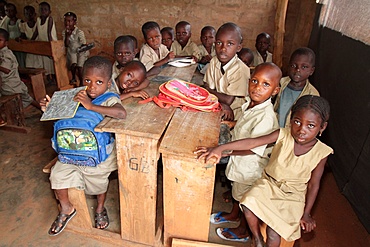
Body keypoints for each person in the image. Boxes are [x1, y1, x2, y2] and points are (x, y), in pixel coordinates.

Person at [196, 95, 333, 247]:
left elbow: (314, 185)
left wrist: (307, 213)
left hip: (293, 195)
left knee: (273, 233)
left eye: (310, 126)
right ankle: (258, 240)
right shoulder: (283, 135)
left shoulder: (322, 152)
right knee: (247, 204)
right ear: (290, 120)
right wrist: (221, 148)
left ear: (322, 127)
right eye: (297, 122)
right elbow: (254, 142)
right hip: (269, 184)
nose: (301, 130)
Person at [42, 56, 126, 236]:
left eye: (99, 82)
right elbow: (63, 119)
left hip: (99, 154)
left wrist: (90, 107)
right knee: (57, 175)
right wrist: (49, 109)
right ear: (82, 80)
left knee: (99, 182)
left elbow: (121, 113)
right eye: (87, 80)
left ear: (108, 84)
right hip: (71, 151)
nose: (92, 86)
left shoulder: (109, 99)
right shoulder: (75, 96)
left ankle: (100, 208)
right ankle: (66, 208)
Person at [206, 63, 281, 242]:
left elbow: (252, 148)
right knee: (236, 192)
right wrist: (232, 124)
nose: (257, 87)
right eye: (254, 81)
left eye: (265, 84)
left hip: (250, 168)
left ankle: (243, 231)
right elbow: (246, 126)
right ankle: (233, 215)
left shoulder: (266, 117)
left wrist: (226, 152)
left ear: (276, 90)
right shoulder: (251, 105)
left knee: (246, 200)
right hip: (239, 164)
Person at [202, 22, 250, 122]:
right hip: (217, 107)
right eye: (219, 43)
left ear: (238, 47)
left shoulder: (241, 70)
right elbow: (207, 87)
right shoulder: (214, 61)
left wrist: (209, 91)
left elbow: (228, 100)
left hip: (235, 116)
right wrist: (220, 100)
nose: (223, 48)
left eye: (230, 44)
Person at [0, 28, 40, 126]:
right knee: (29, 99)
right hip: (14, 85)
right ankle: (44, 110)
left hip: (10, 87)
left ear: (6, 43)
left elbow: (6, 69)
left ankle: (1, 119)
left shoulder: (6, 54)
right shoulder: (2, 53)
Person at [274, 47, 319, 127]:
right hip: (273, 130)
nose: (297, 70)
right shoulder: (280, 82)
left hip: (292, 135)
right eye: (293, 65)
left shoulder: (312, 94)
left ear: (311, 71)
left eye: (304, 67)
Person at [31, 1, 57, 84]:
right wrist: (31, 42)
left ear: (49, 11)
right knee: (46, 63)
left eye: (45, 9)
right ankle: (49, 79)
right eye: (41, 9)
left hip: (50, 43)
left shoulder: (50, 19)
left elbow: (49, 33)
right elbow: (36, 32)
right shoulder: (38, 20)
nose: (43, 11)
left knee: (52, 63)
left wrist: (50, 47)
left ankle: (54, 79)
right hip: (43, 44)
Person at [62, 12, 89, 86]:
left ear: (74, 22)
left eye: (70, 21)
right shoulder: (64, 32)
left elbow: (84, 44)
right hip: (72, 51)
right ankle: (73, 77)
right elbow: (66, 45)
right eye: (66, 21)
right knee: (73, 65)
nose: (67, 23)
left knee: (80, 67)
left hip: (81, 51)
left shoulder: (79, 32)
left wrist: (80, 49)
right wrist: (67, 36)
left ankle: (81, 81)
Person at [3, 3, 24, 67]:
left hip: (19, 45)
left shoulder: (19, 22)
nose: (9, 12)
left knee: (20, 61)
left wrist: (20, 37)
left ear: (15, 12)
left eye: (11, 11)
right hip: (11, 45)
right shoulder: (6, 22)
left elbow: (23, 34)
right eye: (7, 11)